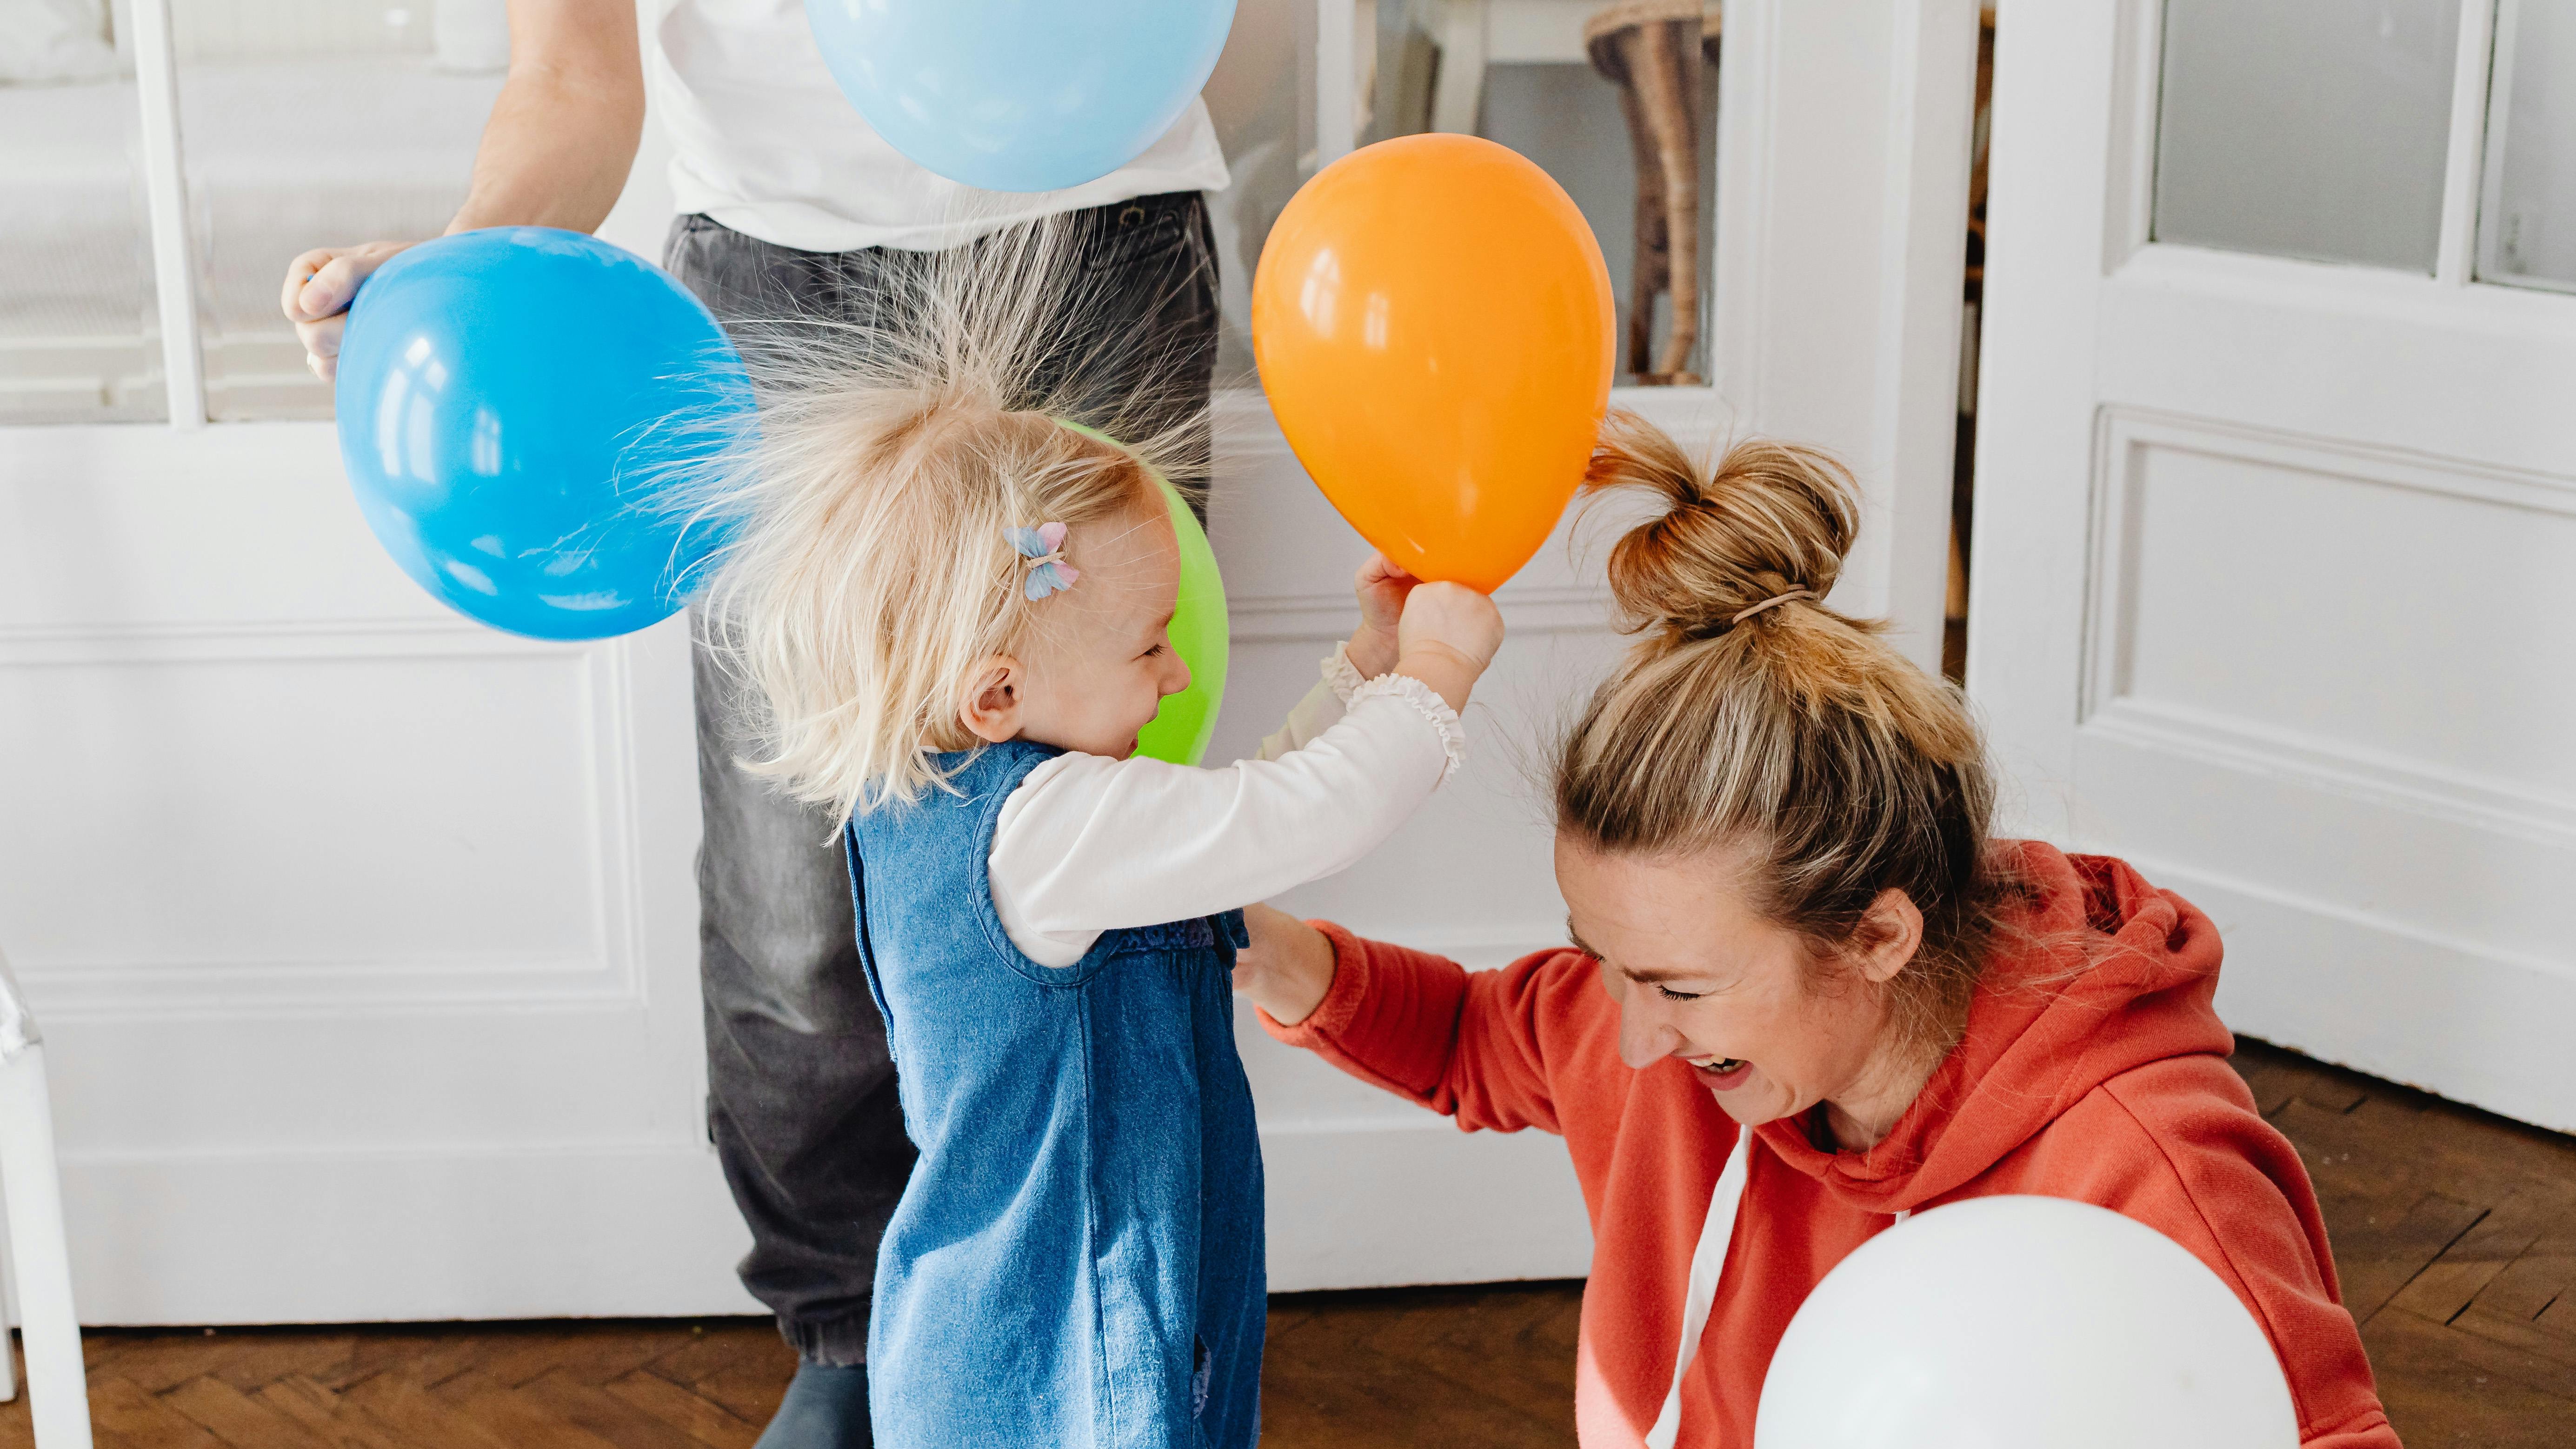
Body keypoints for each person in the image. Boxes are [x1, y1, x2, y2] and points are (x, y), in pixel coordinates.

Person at [275, 1, 1229, 1442]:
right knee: (799, 878)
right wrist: (468, 255)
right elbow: (573, 70)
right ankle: (852, 1330)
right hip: (780, 274)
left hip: (1090, 228)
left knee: (1097, 830)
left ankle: (1101, 1319)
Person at [1231, 408, 2400, 1449]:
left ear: (1880, 935)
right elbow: (1475, 1037)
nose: (1632, 1040)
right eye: (1606, 964)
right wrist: (1257, 945)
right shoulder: (1672, 1015)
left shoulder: (2147, 1171)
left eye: (1681, 989)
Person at [686, 225, 1504, 1449]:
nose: (1180, 670)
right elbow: (1293, 817)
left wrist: (1361, 670)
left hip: (1038, 1305)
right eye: (1147, 643)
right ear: (998, 692)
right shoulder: (1048, 828)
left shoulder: (977, 800)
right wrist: (1434, 676)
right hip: (1071, 1333)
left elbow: (1220, 829)